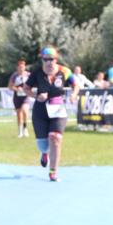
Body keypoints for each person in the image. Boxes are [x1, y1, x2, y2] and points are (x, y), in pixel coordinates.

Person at [27, 46, 79, 182]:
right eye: (46, 60)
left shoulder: (64, 71)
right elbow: (26, 88)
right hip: (40, 110)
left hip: (58, 108)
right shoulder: (37, 73)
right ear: (42, 60)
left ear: (56, 59)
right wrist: (36, 96)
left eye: (52, 59)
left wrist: (73, 95)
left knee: (55, 137)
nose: (49, 62)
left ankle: (53, 172)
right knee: (43, 145)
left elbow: (76, 85)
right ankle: (44, 153)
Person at [8, 59, 31, 138]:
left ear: (24, 67)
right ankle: (20, 131)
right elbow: (10, 86)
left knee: (25, 110)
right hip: (17, 97)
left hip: (26, 96)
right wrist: (17, 89)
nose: (21, 68)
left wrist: (27, 89)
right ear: (17, 67)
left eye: (23, 66)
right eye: (20, 67)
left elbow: (32, 83)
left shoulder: (28, 75)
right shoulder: (14, 76)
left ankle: (25, 128)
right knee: (19, 114)